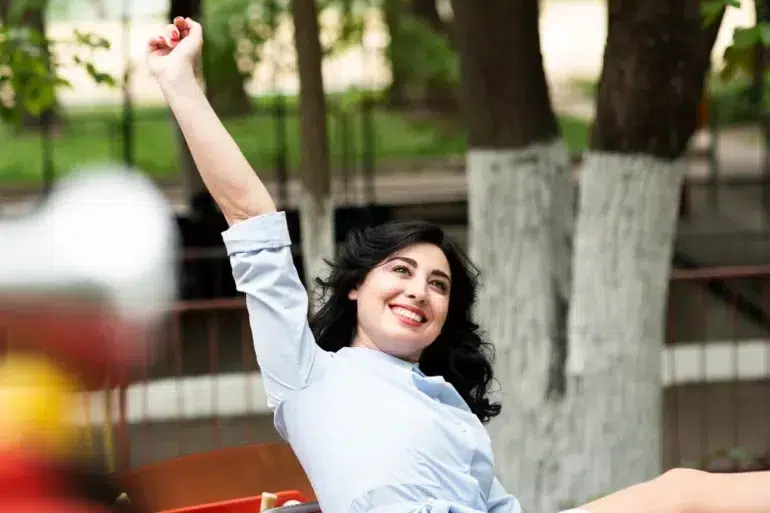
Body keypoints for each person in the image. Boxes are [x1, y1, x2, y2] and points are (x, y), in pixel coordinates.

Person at [147, 17, 770, 513]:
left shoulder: (451, 411)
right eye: (401, 270)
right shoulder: (308, 374)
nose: (419, 289)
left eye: (438, 284)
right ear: (358, 288)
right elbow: (252, 222)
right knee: (681, 492)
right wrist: (180, 83)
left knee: (685, 489)